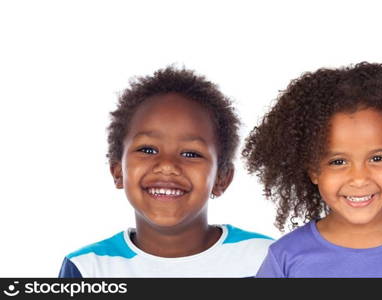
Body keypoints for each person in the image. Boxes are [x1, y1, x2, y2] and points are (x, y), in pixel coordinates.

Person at [242, 62, 382, 277]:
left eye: (377, 158)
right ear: (313, 171)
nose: (359, 179)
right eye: (338, 162)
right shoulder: (285, 258)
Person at [59, 66, 273, 277]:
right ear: (118, 171)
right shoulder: (86, 269)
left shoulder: (266, 258)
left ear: (222, 178)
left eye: (191, 154)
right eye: (147, 149)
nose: (168, 165)